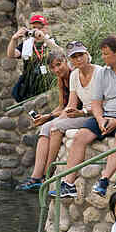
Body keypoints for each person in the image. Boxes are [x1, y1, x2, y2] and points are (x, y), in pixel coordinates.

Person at [60, 36, 116, 199]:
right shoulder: (103, 73)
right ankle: (68, 184)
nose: (103, 57)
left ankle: (104, 180)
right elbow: (96, 102)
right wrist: (101, 119)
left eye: (106, 54)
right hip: (106, 116)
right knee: (80, 137)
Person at [14, 49, 76, 192]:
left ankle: (46, 175)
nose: (56, 69)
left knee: (51, 125)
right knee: (44, 127)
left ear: (66, 61)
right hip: (67, 112)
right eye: (53, 67)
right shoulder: (61, 79)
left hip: (77, 113)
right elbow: (61, 106)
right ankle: (36, 177)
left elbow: (71, 107)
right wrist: (46, 116)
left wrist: (49, 117)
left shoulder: (74, 76)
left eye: (59, 65)